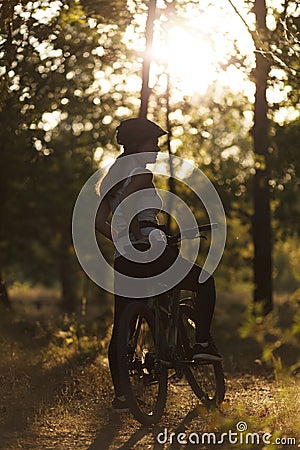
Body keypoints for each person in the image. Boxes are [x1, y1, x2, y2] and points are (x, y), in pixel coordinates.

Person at [95, 118, 222, 413]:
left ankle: (122, 398)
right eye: (153, 142)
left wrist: (122, 241)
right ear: (139, 144)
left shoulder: (112, 177)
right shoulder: (142, 176)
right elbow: (129, 208)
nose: (156, 148)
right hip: (152, 249)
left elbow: (98, 220)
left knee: (121, 325)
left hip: (125, 258)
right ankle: (202, 343)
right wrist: (139, 234)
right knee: (204, 280)